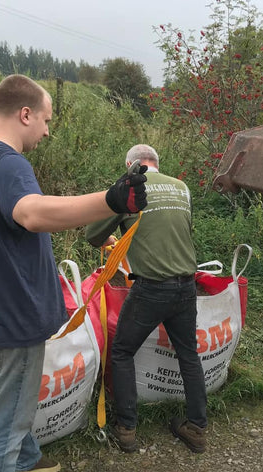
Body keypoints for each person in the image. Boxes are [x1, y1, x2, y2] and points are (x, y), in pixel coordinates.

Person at [0, 74, 147, 472]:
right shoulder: (8, 163)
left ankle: (29, 457)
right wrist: (110, 199)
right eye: (45, 120)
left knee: (5, 409)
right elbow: (32, 212)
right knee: (0, 429)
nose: (46, 131)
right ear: (24, 114)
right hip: (9, 322)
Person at [85, 144, 208, 455]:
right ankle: (197, 427)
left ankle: (126, 428)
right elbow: (176, 231)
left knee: (123, 350)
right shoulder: (181, 187)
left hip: (151, 289)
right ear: (157, 163)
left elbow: (93, 236)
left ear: (131, 165)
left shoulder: (129, 188)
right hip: (186, 286)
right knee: (188, 355)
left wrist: (113, 239)